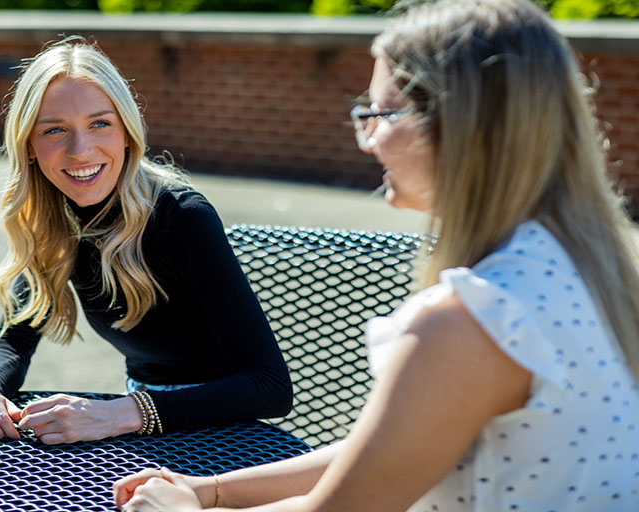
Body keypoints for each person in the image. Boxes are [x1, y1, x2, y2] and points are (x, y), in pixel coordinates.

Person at [112, 0, 639, 510]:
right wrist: (211, 491)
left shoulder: (470, 320)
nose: (366, 139)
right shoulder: (584, 269)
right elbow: (389, 451)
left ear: (461, 123)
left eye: (381, 112)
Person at [0, 37, 292, 445]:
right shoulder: (55, 218)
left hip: (223, 433)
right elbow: (15, 336)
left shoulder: (181, 216)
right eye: (55, 130)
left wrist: (121, 413)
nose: (80, 151)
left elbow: (270, 388)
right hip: (139, 427)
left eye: (100, 124)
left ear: (127, 133)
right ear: (29, 147)